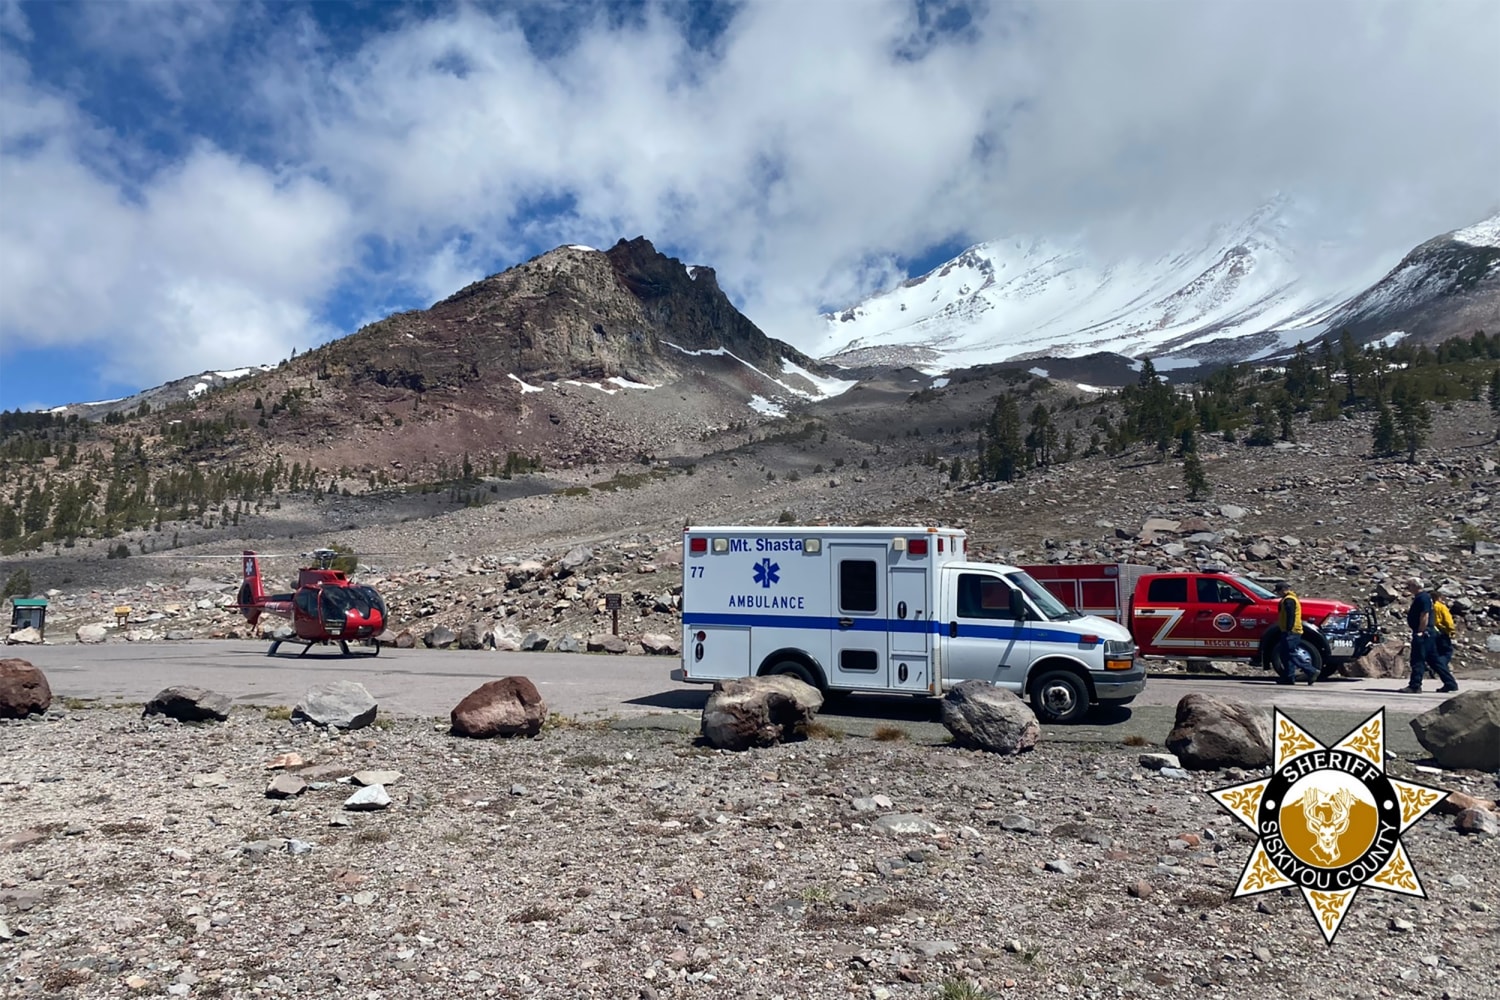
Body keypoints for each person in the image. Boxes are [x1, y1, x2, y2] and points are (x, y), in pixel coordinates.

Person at [1402, 577, 1458, 694]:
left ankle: (1415, 685)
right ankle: (1450, 683)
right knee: (1434, 660)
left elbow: (1424, 615)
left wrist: (1421, 631)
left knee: (1418, 659)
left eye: (1410, 586)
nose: (1408, 588)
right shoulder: (1423, 597)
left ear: (1416, 586)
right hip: (1429, 633)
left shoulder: (1423, 598)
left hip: (1424, 633)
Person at [1273, 581, 1315, 686]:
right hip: (1289, 631)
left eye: (1278, 591)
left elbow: (1290, 616)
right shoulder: (1290, 599)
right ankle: (1289, 677)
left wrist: (1288, 629)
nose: (1278, 594)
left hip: (1291, 631)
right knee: (1285, 654)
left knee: (1290, 653)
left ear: (1283, 590)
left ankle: (1311, 671)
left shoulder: (1289, 600)